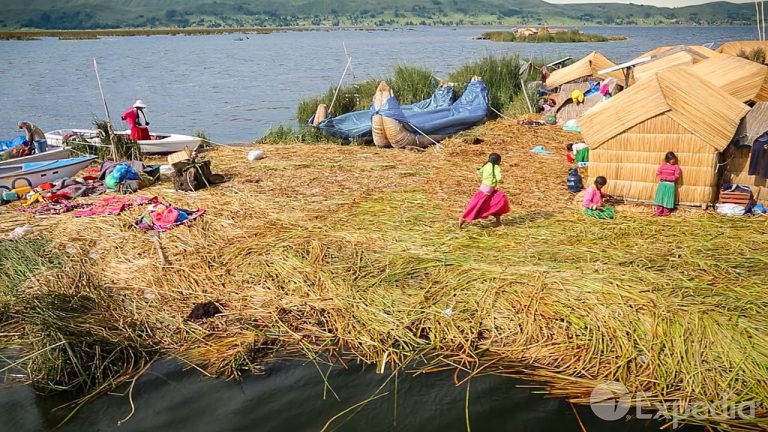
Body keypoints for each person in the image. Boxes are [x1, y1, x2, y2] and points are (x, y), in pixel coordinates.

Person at [459, 153, 510, 229]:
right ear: (498, 161)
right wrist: (501, 181)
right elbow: (499, 178)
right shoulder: (496, 167)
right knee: (477, 206)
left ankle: (498, 222)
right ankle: (463, 219)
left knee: (498, 200)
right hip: (487, 192)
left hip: (485, 189)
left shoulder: (486, 165)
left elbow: (480, 172)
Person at [654, 151, 682, 216]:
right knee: (660, 198)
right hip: (662, 185)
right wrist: (661, 177)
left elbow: (676, 176)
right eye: (671, 159)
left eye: (674, 159)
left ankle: (666, 212)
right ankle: (659, 212)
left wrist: (667, 178)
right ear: (667, 159)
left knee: (668, 199)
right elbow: (658, 174)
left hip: (670, 185)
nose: (673, 160)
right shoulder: (663, 166)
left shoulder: (676, 167)